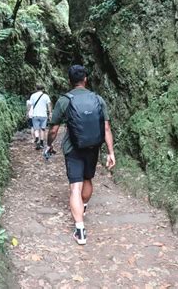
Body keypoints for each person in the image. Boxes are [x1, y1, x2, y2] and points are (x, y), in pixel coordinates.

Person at [45, 65, 116, 245]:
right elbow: (106, 127)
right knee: (87, 180)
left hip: (73, 148)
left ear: (70, 80)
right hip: (93, 147)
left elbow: (54, 129)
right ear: (85, 79)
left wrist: (49, 144)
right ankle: (83, 206)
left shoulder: (64, 100)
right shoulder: (98, 99)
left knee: (75, 187)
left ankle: (80, 230)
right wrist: (110, 152)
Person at [29, 84, 52, 150]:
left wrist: (28, 112)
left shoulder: (33, 95)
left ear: (36, 88)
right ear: (43, 89)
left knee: (36, 129)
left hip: (35, 115)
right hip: (43, 115)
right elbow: (49, 105)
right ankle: (41, 143)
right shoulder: (46, 96)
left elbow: (30, 105)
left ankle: (37, 138)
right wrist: (50, 113)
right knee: (42, 129)